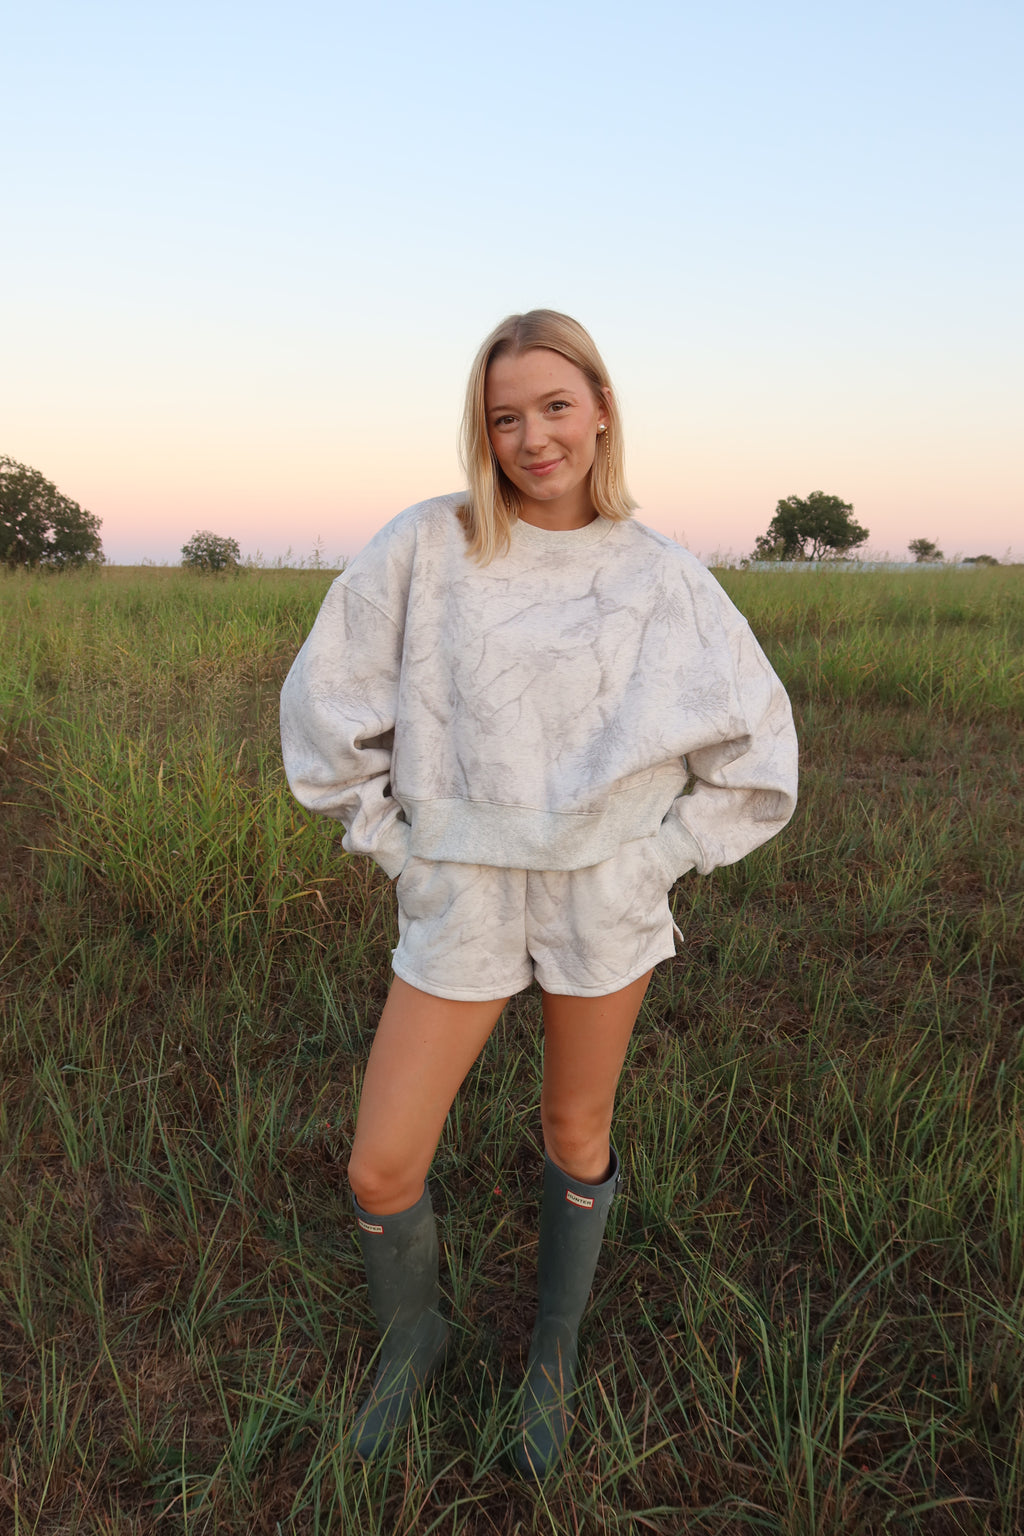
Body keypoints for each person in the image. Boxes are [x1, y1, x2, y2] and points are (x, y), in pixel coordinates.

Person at [279, 310, 798, 1477]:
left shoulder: (660, 577)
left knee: (576, 1126)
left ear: (602, 409)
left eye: (554, 407)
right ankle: (413, 1338)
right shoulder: (429, 546)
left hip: (600, 898)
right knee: (380, 1163)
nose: (531, 436)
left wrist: (654, 861)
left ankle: (551, 1353)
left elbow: (759, 752)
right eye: (504, 416)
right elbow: (325, 707)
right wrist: (397, 847)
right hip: (460, 888)